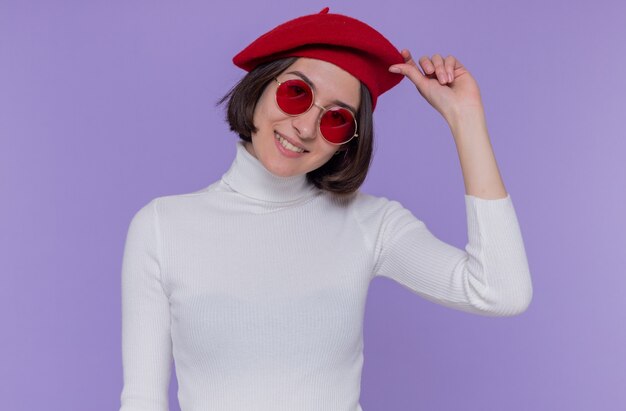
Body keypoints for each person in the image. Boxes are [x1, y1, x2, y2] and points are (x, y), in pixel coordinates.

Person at [119, 7, 533, 411]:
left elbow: (501, 292)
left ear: (348, 141)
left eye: (336, 119)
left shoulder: (372, 225)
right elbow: (142, 401)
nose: (305, 128)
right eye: (296, 93)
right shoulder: (162, 226)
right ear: (260, 86)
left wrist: (466, 119)